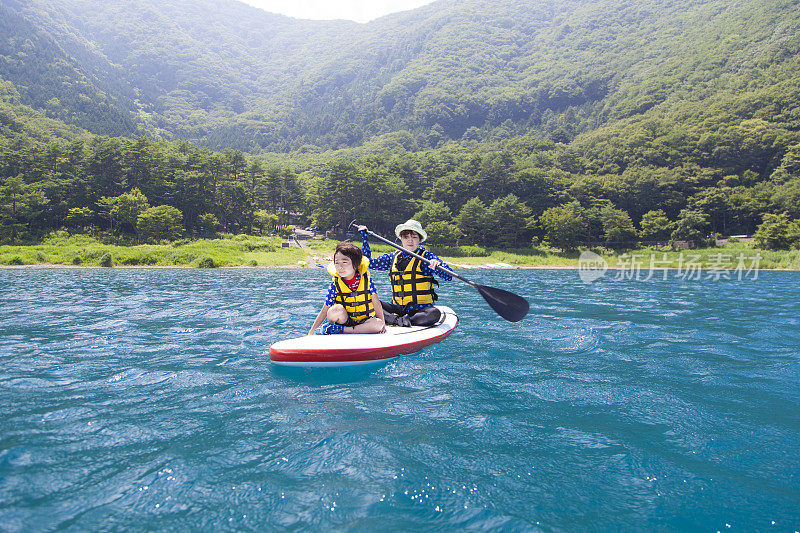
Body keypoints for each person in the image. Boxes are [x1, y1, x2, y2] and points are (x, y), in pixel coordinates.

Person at [358, 219, 452, 327]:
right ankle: (398, 319)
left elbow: (448, 276)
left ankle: (399, 320)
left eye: (414, 237)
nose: (410, 241)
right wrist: (365, 238)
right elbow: (368, 263)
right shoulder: (392, 257)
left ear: (419, 240)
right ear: (401, 239)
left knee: (434, 314)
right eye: (406, 237)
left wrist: (438, 266)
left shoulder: (426, 257)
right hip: (399, 309)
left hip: (421, 310)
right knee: (369, 300)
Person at [309, 241, 385, 335]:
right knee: (334, 310)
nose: (340, 267)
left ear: (356, 265)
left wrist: (383, 324)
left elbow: (376, 303)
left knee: (378, 324)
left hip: (364, 321)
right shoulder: (335, 285)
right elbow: (325, 310)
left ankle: (341, 330)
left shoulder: (367, 281)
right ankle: (331, 328)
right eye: (337, 263)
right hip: (344, 321)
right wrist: (311, 332)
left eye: (344, 262)